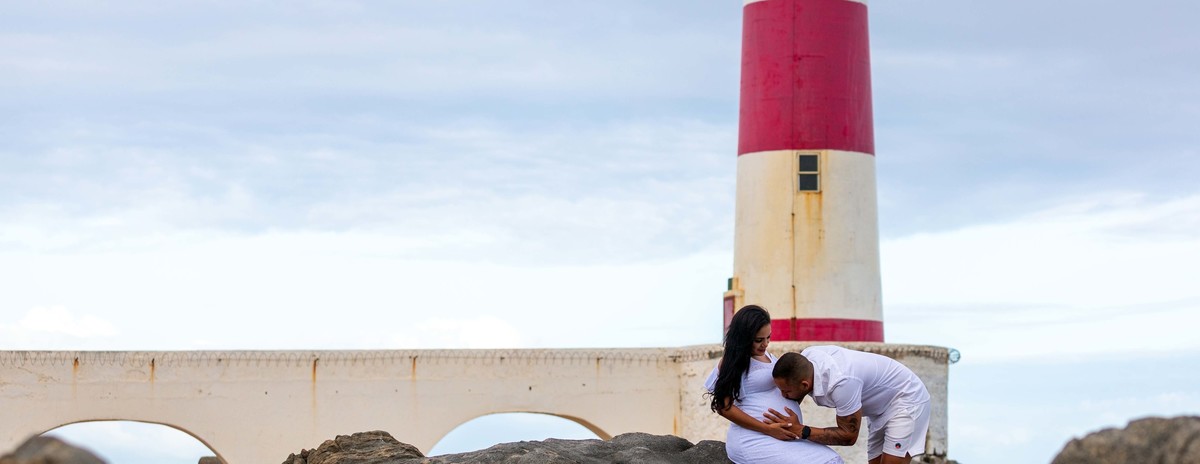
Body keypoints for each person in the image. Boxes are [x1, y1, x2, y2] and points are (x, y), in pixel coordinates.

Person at [705, 306, 843, 464]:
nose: (765, 344)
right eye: (759, 340)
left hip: (783, 436)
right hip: (754, 438)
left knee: (833, 459)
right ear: (743, 338)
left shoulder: (770, 357)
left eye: (768, 338)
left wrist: (792, 420)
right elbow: (724, 407)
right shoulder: (732, 362)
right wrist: (768, 429)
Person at [765, 346, 931, 464]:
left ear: (804, 385)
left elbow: (849, 436)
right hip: (879, 408)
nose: (783, 396)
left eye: (786, 392)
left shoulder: (841, 383)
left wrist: (801, 430)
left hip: (907, 398)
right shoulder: (806, 358)